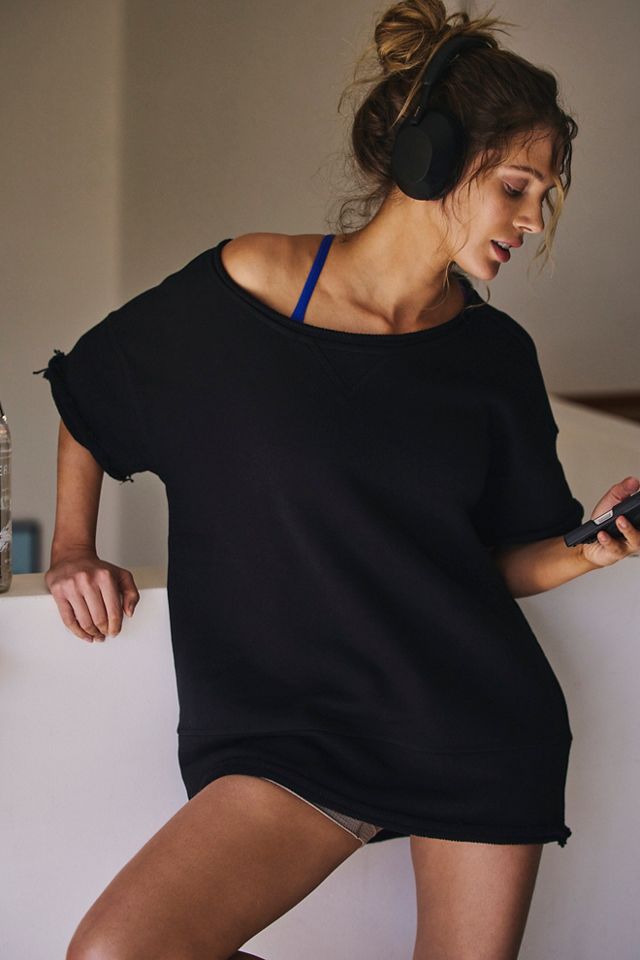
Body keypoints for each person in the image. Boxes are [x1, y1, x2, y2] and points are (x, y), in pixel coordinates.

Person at [35, 2, 639, 959]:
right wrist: (74, 548)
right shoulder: (246, 290)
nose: (532, 221)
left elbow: (494, 560)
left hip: (474, 725)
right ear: (432, 161)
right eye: (517, 187)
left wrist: (592, 551)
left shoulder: (494, 357)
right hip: (292, 738)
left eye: (544, 195)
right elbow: (91, 395)